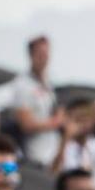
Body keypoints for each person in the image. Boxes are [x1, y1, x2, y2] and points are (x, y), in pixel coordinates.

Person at [11, 35, 63, 167]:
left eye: (46, 53)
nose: (44, 58)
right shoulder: (23, 85)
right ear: (31, 55)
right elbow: (26, 124)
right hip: (37, 156)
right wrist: (55, 122)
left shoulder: (48, 83)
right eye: (40, 54)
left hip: (54, 152)